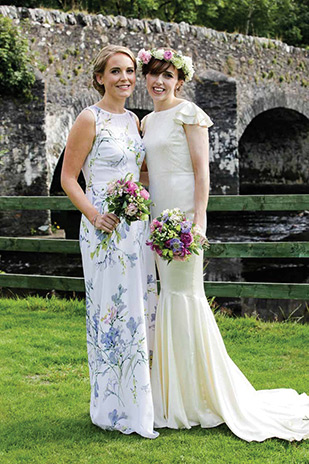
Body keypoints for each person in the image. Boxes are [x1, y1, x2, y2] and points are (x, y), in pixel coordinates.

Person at [139, 47, 309, 442]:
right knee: (169, 298)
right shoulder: (147, 121)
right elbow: (149, 172)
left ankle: (198, 398)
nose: (160, 82)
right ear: (145, 78)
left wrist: (198, 222)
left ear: (179, 81)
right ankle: (172, 394)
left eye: (168, 76)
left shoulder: (190, 114)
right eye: (154, 75)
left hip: (182, 220)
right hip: (157, 218)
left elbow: (202, 173)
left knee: (185, 297)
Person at [61, 45, 158, 439]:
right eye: (115, 71)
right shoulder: (89, 119)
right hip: (104, 227)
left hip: (137, 227)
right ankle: (113, 407)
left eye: (130, 71)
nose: (125, 78)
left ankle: (141, 400)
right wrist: (94, 214)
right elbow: (70, 178)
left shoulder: (135, 120)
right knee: (112, 312)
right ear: (100, 77)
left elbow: (143, 172)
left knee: (139, 308)